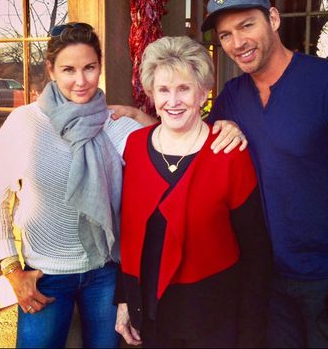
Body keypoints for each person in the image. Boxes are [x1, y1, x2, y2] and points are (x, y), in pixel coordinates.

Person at [201, 0, 328, 348]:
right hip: (267, 282)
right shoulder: (231, 99)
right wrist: (131, 119)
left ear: (273, 18)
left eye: (247, 25)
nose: (237, 43)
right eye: (225, 35)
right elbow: (189, 142)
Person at [0, 22, 143, 348]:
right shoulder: (24, 123)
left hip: (104, 273)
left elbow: (175, 146)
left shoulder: (116, 126)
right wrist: (12, 269)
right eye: (68, 69)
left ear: (100, 66)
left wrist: (138, 116)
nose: (81, 80)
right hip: (45, 276)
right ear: (51, 69)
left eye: (89, 67)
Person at [114, 36, 271, 348]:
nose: (173, 101)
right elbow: (130, 234)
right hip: (151, 314)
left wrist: (250, 334)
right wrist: (124, 302)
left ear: (203, 93)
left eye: (184, 88)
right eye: (163, 90)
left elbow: (256, 252)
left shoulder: (229, 152)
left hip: (213, 318)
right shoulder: (134, 146)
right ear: (151, 93)